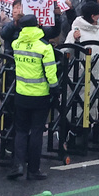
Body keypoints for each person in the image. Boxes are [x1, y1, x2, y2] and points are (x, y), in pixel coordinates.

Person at [7, 14, 58, 181]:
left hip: (21, 94)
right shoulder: (44, 47)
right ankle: (34, 169)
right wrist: (54, 89)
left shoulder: (17, 44)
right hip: (40, 95)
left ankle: (18, 165)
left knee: (20, 131)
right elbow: (51, 72)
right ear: (37, 25)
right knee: (36, 132)